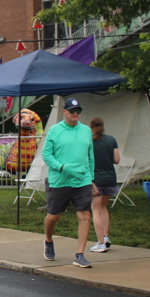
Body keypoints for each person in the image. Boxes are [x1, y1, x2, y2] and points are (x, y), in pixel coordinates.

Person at [41, 97, 95, 268]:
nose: (75, 113)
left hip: (82, 180)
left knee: (85, 215)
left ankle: (80, 254)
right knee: (54, 216)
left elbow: (90, 155)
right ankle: (48, 240)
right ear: (64, 112)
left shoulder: (86, 130)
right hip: (60, 180)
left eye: (78, 110)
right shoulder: (55, 130)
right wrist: (62, 167)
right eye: (72, 111)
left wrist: (91, 177)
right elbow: (47, 155)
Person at [89, 117, 120, 252]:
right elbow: (117, 159)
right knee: (103, 207)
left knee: (95, 209)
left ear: (91, 127)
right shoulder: (111, 140)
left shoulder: (89, 142)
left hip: (96, 179)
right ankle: (106, 237)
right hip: (110, 178)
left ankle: (100, 242)